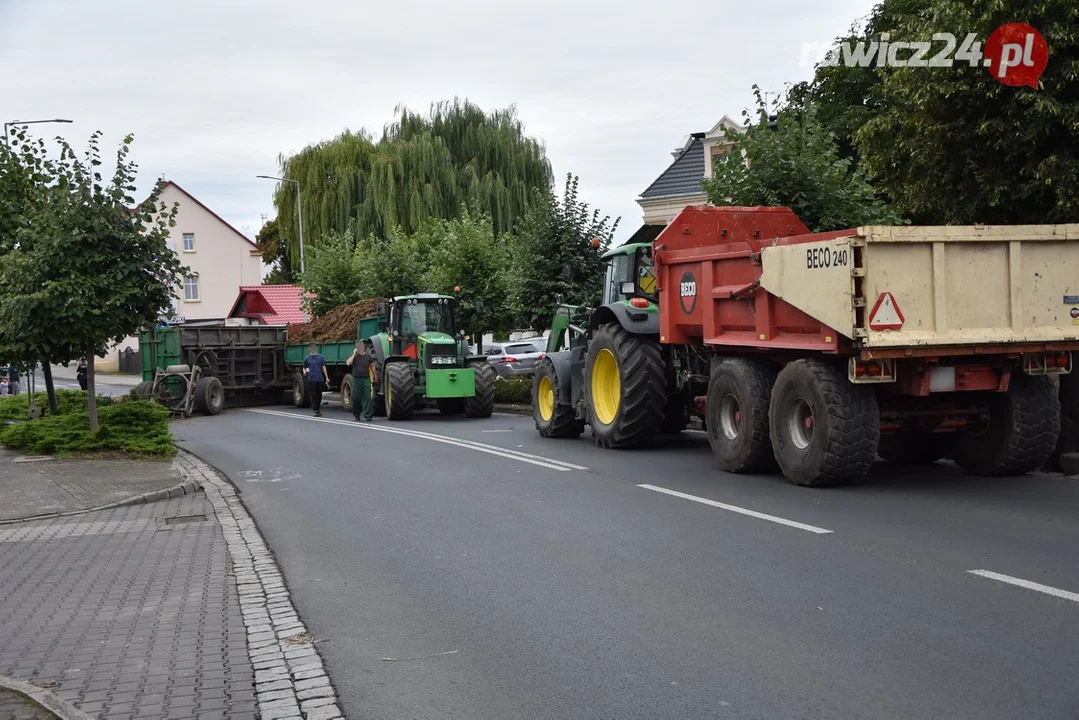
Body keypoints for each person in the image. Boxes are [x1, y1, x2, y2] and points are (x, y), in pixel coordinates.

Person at [345, 341, 374, 422]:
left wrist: (375, 376)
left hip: (366, 379)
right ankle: (357, 414)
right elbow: (348, 363)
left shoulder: (368, 357)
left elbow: (372, 366)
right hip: (356, 379)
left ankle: (368, 415)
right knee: (356, 397)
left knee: (367, 397)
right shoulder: (354, 357)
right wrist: (354, 354)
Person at [302, 343, 327, 417]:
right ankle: (316, 410)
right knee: (313, 395)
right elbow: (304, 367)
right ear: (309, 349)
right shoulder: (307, 358)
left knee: (319, 395)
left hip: (320, 379)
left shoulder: (320, 357)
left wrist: (327, 377)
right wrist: (305, 372)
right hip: (311, 379)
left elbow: (323, 367)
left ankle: (318, 407)